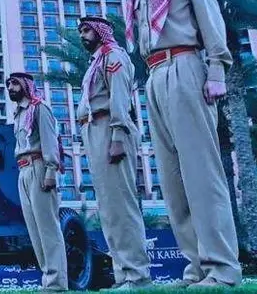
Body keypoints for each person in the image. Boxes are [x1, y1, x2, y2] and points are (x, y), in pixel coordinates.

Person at [123, 0, 241, 289]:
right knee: (173, 182)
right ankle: (196, 268)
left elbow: (209, 15)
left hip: (186, 66)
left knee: (202, 174)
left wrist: (218, 68)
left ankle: (222, 269)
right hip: (154, 77)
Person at [76, 15, 152, 290]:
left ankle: (137, 276)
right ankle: (124, 274)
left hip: (110, 127)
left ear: (101, 31)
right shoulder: (96, 61)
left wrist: (118, 135)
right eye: (81, 31)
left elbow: (120, 96)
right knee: (109, 209)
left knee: (122, 206)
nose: (82, 35)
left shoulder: (113, 56)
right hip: (94, 130)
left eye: (87, 30)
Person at [8, 72, 68, 291]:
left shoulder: (39, 108)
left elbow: (50, 141)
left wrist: (51, 171)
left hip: (40, 168)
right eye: (8, 84)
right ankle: (48, 279)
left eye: (15, 83)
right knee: (35, 230)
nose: (10, 87)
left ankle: (57, 282)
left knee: (48, 228)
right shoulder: (18, 114)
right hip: (23, 171)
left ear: (26, 85)